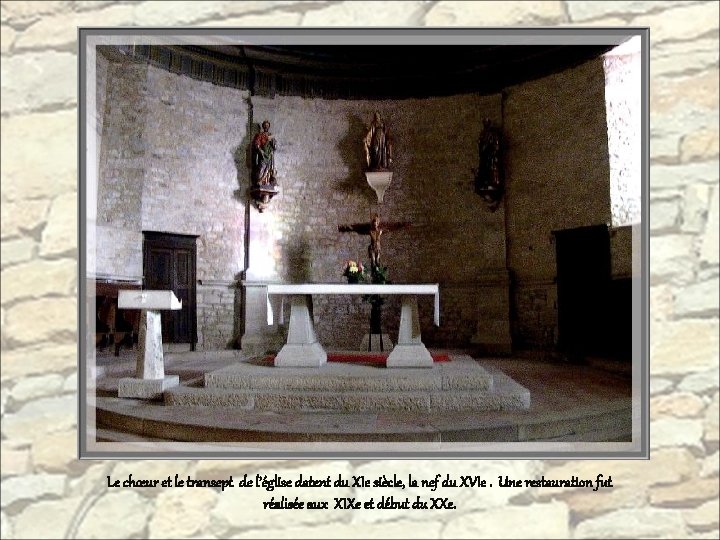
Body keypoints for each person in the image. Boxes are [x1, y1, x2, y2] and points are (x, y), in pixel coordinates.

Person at [338, 214, 410, 270]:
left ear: (378, 224)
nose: (375, 225)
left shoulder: (380, 231)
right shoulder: (370, 231)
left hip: (378, 248)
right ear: (373, 224)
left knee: (377, 261)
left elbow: (391, 228)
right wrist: (345, 228)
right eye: (374, 224)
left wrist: (402, 225)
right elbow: (358, 229)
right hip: (372, 248)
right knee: (373, 261)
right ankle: (374, 273)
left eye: (376, 224)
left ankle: (378, 273)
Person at [251, 120, 277, 186]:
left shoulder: (271, 136)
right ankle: (260, 181)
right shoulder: (260, 135)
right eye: (265, 125)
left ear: (269, 127)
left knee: (269, 168)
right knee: (262, 168)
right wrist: (260, 150)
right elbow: (256, 144)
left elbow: (275, 147)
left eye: (267, 125)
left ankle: (267, 182)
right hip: (262, 154)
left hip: (269, 155)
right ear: (263, 126)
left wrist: (273, 142)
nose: (266, 127)